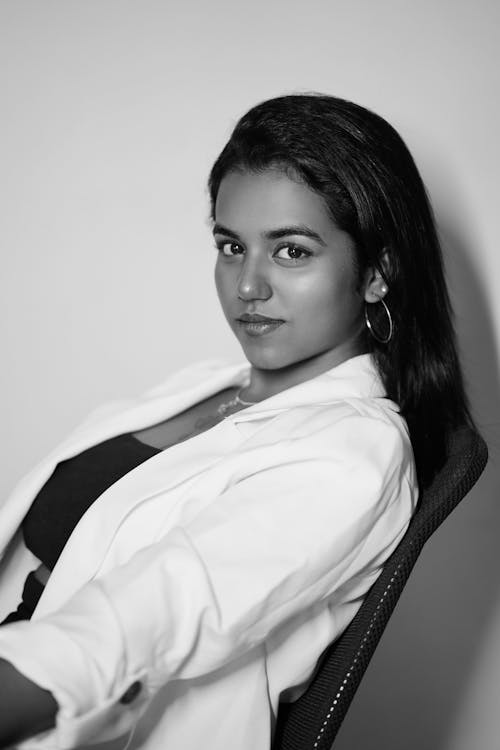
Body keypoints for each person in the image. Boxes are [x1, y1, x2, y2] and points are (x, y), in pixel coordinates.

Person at [0, 93, 472, 750]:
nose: (247, 286)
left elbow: (159, 609)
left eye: (292, 252)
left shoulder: (354, 453)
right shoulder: (210, 385)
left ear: (378, 272)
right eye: (231, 245)